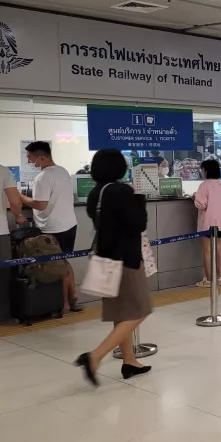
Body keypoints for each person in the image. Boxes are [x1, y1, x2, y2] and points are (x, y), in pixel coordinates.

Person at [74, 149, 153, 386]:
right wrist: (138, 198)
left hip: (105, 259)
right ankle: (95, 356)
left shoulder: (95, 194)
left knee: (121, 314)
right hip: (126, 259)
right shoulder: (120, 191)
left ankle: (129, 361)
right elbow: (138, 223)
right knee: (140, 310)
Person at [20, 141, 80, 312]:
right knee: (64, 262)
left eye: (30, 158)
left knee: (55, 267)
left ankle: (64, 304)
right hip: (69, 224)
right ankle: (73, 295)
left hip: (53, 228)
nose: (29, 162)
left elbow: (40, 204)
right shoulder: (62, 171)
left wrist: (20, 197)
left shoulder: (43, 177)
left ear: (40, 157)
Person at [194, 160, 221, 287]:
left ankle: (209, 280)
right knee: (219, 248)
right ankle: (220, 277)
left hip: (208, 222)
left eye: (202, 169)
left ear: (206, 170)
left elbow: (200, 204)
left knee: (207, 250)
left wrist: (194, 197)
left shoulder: (204, 185)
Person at [0, 163, 26, 321]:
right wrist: (18, 216)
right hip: (0, 232)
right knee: (2, 275)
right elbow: (15, 201)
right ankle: (2, 316)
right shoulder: (3, 171)